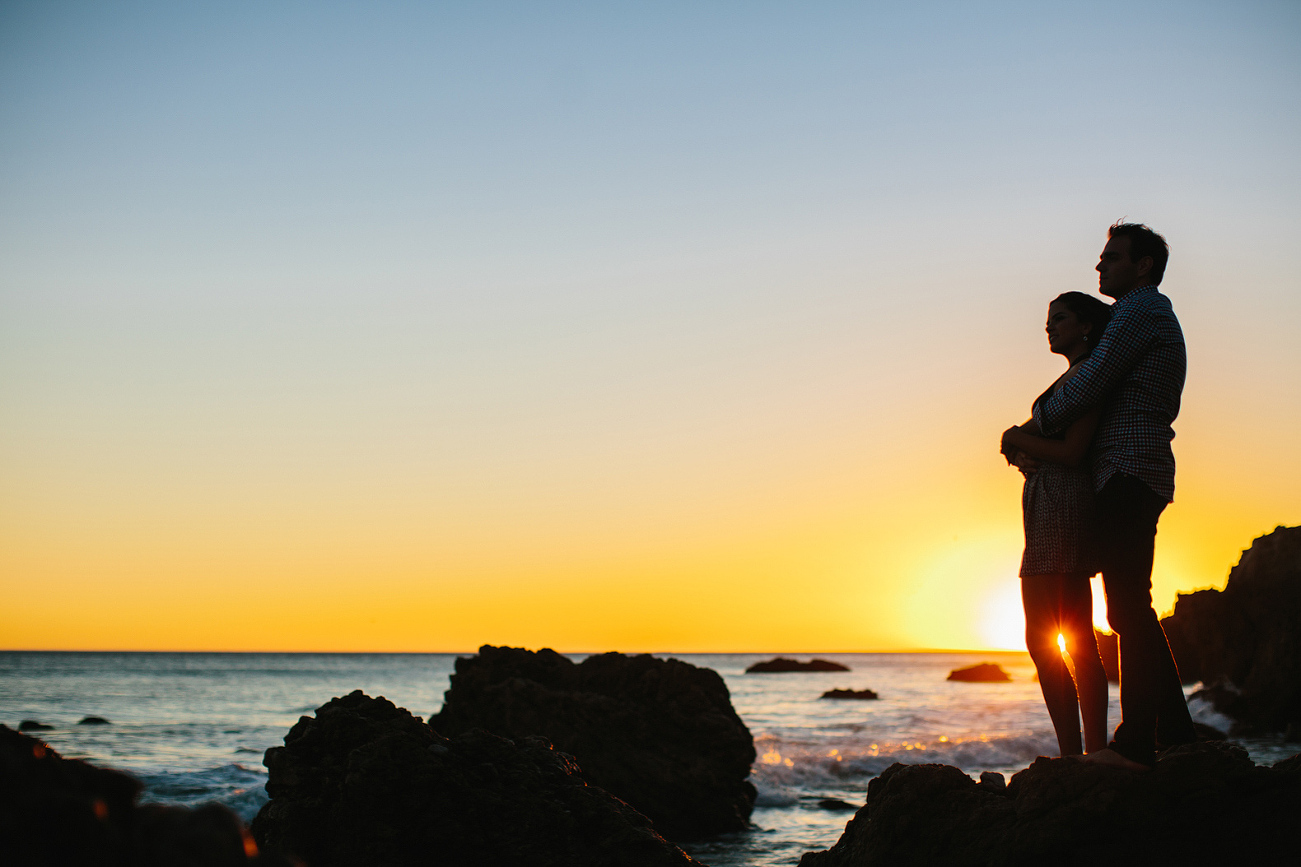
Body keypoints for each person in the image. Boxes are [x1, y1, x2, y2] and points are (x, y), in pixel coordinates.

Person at [1008, 222, 1196, 770]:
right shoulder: (1140, 314)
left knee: (1128, 608)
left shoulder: (1141, 309)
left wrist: (1025, 430)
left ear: (1142, 266)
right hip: (1133, 469)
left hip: (1129, 468)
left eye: (1111, 258)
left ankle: (1136, 744)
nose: (1099, 268)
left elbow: (1090, 385)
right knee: (1130, 607)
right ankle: (1178, 734)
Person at [1002, 292, 1112, 757]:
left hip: (1063, 506)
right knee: (1057, 636)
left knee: (1062, 637)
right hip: (1048, 506)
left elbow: (1072, 452)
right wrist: (1018, 442)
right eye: (1048, 320)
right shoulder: (1069, 379)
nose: (1049, 327)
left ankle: (1084, 752)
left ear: (1085, 325)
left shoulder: (1087, 377)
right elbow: (1031, 442)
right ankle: (1080, 752)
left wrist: (1016, 438)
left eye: (1059, 319)